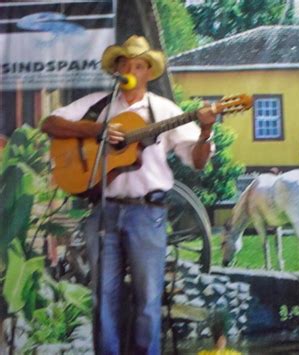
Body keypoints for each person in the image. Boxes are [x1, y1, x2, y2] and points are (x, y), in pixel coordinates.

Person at [41, 35, 217, 354]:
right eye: (125, 64)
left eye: (138, 65)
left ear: (148, 72)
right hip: (103, 210)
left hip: (147, 213)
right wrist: (95, 130)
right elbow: (49, 123)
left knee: (147, 299)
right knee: (103, 297)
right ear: (116, 70)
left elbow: (198, 161)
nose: (131, 69)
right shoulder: (98, 104)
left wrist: (205, 131)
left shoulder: (164, 110)